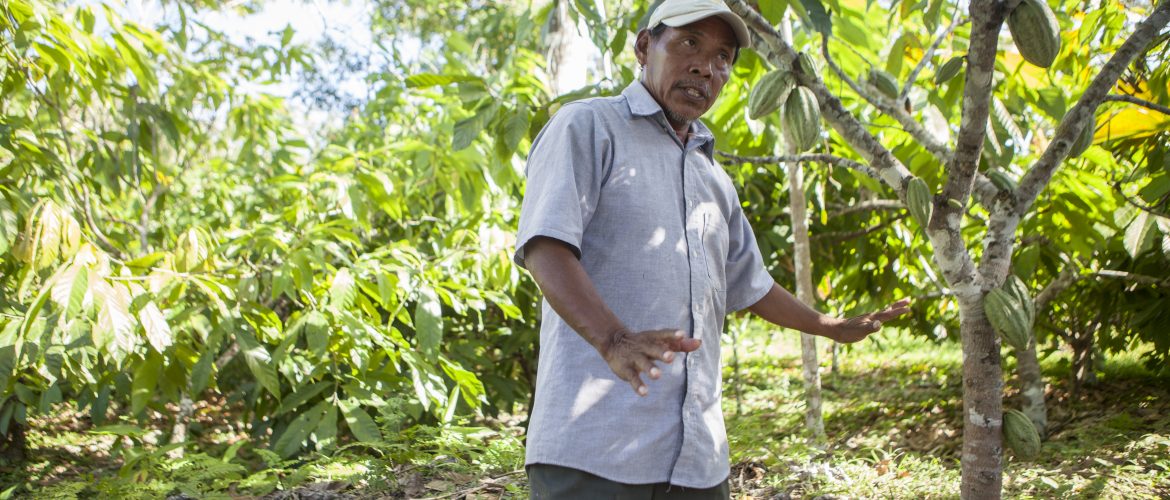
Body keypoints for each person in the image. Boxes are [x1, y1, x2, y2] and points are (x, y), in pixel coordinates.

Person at [513, 0, 912, 497]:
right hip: (594, 452)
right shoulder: (588, 127)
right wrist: (613, 340)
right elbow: (545, 245)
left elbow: (750, 282)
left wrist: (826, 326)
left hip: (697, 461)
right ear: (643, 47)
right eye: (689, 43)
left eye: (723, 56)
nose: (706, 66)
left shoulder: (713, 177)